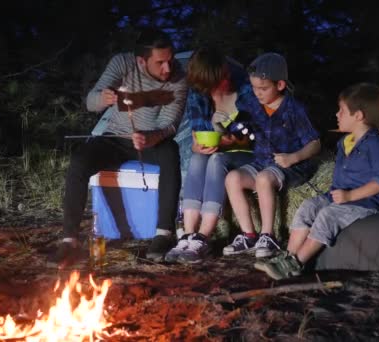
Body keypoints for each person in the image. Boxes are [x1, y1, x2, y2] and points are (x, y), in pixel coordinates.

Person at [54, 28, 188, 267]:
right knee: (80, 160)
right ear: (141, 60)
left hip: (151, 140)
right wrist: (102, 99)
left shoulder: (178, 78)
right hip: (115, 137)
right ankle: (69, 239)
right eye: (160, 63)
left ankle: (163, 233)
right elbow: (90, 101)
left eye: (170, 60)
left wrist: (150, 137)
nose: (168, 68)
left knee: (170, 153)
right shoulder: (122, 64)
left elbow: (170, 125)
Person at [254, 82, 379, 280]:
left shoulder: (376, 144)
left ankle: (297, 263)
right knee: (308, 206)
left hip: (364, 203)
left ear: (358, 116)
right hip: (337, 197)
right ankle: (287, 257)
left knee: (327, 216)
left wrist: (350, 195)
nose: (337, 114)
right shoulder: (344, 143)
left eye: (342, 111)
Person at [223, 52, 321, 259]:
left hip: (289, 166)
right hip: (261, 161)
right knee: (232, 178)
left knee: (264, 178)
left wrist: (293, 157)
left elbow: (315, 144)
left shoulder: (294, 109)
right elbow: (239, 128)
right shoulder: (252, 106)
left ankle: (268, 235)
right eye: (254, 88)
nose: (258, 93)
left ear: (280, 85)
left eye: (263, 88)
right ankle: (249, 234)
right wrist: (231, 134)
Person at [164, 47, 254, 264]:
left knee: (216, 159)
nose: (216, 89)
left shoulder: (246, 89)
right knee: (197, 158)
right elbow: (197, 129)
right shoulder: (199, 91)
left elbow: (256, 136)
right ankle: (188, 235)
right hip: (220, 148)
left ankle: (203, 237)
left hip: (245, 153)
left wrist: (233, 139)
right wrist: (198, 145)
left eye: (219, 81)